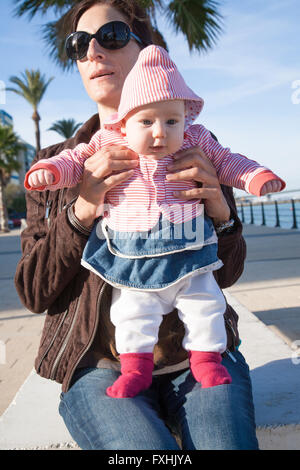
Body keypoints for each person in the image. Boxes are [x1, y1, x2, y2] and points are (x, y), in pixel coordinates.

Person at [15, 0, 261, 450]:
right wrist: (83, 206)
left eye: (110, 36)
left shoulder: (195, 145)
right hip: (98, 364)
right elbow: (34, 290)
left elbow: (225, 274)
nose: (93, 52)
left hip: (197, 356)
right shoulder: (55, 164)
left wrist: (222, 218)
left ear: (149, 50)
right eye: (79, 44)